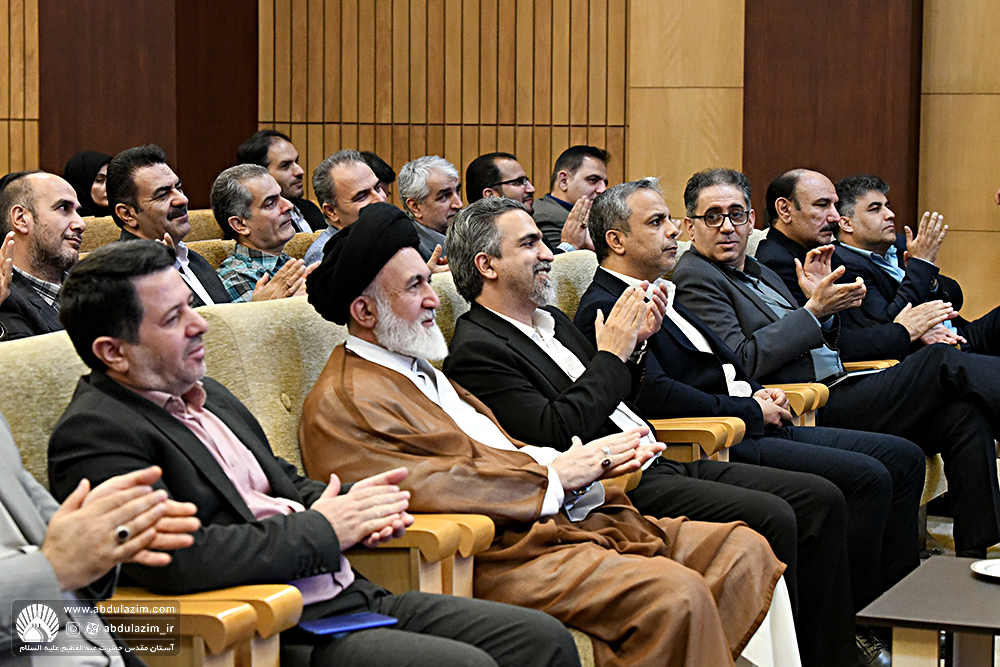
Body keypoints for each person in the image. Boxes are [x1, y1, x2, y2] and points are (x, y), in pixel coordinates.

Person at [298, 201, 790, 667]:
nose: (433, 299)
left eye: (428, 281)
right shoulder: (346, 399)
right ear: (364, 313)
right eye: (414, 288)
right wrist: (556, 475)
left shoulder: (417, 368)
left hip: (563, 518)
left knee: (742, 551)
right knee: (676, 594)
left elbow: (497, 447)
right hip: (497, 552)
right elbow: (418, 486)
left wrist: (578, 465)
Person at [47, 239, 582, 667]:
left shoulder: (211, 395)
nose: (199, 323)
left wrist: (358, 505)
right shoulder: (97, 433)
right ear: (112, 352)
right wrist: (326, 528)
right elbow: (179, 561)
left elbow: (278, 481)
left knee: (539, 639)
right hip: (268, 627)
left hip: (344, 594)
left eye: (191, 305)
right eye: (172, 318)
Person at [576, 178, 926, 667]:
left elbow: (724, 361)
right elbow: (653, 394)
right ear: (616, 241)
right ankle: (846, 637)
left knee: (902, 457)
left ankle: (897, 620)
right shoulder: (607, 306)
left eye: (669, 220)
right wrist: (748, 409)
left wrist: (757, 391)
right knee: (858, 481)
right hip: (714, 437)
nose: (673, 231)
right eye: (657, 223)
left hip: (750, 413)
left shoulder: (661, 289)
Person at [672, 167, 1000, 558]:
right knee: (940, 361)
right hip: (811, 402)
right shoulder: (697, 276)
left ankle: (973, 558)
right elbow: (742, 360)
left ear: (751, 219)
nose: (727, 227)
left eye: (736, 215)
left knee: (963, 416)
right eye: (712, 217)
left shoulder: (757, 268)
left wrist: (823, 315)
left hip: (844, 382)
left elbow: (826, 342)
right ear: (690, 226)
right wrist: (813, 312)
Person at [1, 409, 199, 665]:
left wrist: (102, 529)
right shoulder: (93, 424)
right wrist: (55, 569)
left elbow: (51, 530)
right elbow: (57, 560)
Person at [832, 173, 1000, 354]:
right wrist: (920, 265)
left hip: (961, 334)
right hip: (926, 353)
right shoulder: (844, 265)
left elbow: (955, 298)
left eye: (887, 206)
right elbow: (889, 323)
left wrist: (931, 282)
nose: (890, 214)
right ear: (846, 224)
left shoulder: (901, 244)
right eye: (875, 209)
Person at [105, 145, 232, 307]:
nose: (182, 200)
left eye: (178, 188)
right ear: (127, 214)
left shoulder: (192, 259)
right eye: (163, 195)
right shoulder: (124, 277)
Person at [0, 171, 85, 340]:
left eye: (77, 212)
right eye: (64, 208)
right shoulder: (6, 299)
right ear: (21, 218)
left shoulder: (91, 280)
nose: (81, 224)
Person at [211, 164, 314, 303]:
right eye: (271, 203)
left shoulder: (284, 261)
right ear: (240, 225)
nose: (288, 205)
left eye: (282, 196)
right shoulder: (235, 278)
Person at [465, 152, 590, 253]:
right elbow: (539, 272)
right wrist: (569, 246)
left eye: (527, 181)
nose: (531, 189)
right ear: (490, 195)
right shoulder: (481, 239)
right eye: (518, 182)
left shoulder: (529, 226)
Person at [304, 150, 388, 266]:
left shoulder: (383, 236)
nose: (380, 199)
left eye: (377, 188)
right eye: (362, 197)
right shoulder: (325, 257)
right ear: (331, 211)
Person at [236, 129, 326, 232]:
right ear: (259, 175)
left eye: (296, 161)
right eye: (285, 166)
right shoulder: (251, 225)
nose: (300, 171)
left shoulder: (310, 209)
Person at [532, 146, 608, 249]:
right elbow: (562, 258)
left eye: (605, 183)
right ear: (563, 181)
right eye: (593, 180)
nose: (603, 189)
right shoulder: (549, 218)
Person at [397, 155, 462, 262]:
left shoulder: (466, 235)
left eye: (457, 192)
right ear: (415, 207)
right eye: (444, 196)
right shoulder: (408, 252)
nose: (459, 204)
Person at [62, 151, 113, 217]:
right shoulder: (66, 220)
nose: (109, 187)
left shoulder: (123, 217)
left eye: (112, 179)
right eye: (99, 180)